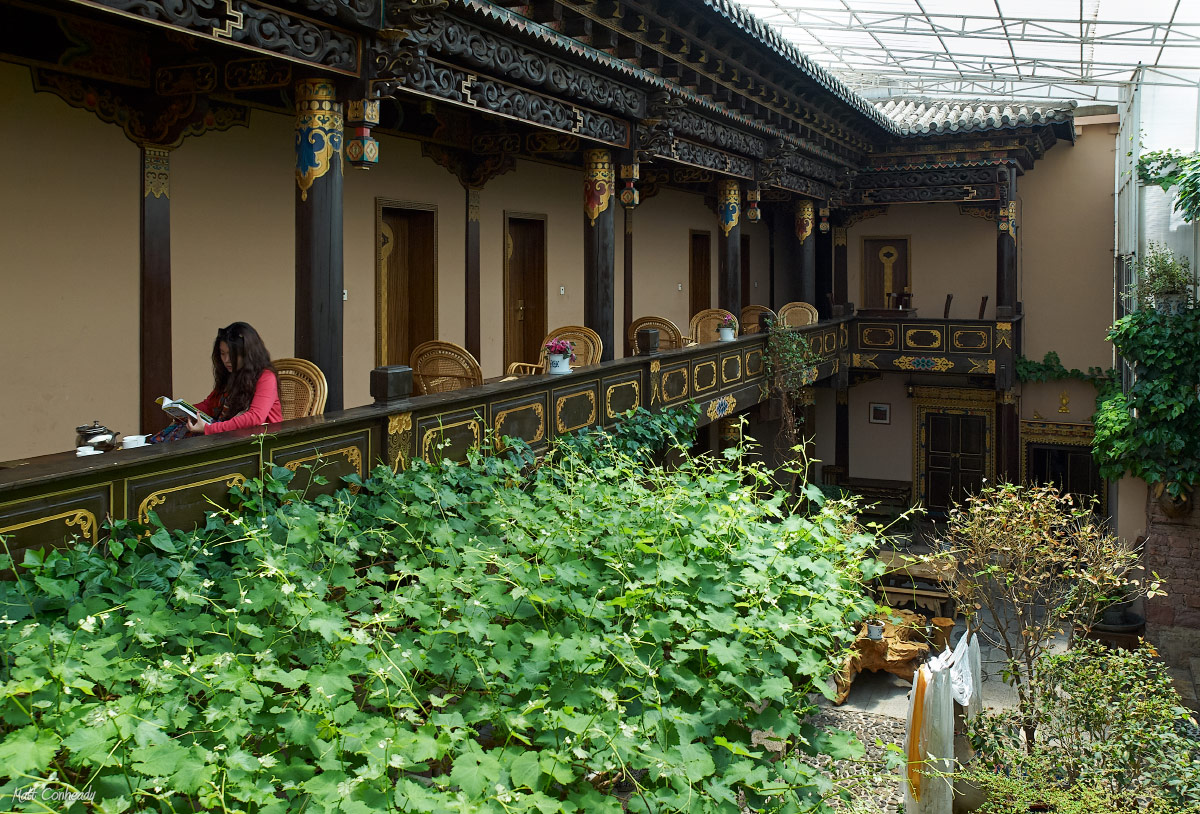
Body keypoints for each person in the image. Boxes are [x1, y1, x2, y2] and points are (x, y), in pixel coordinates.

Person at [150, 322, 283, 443]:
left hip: (259, 440)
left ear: (248, 353)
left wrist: (210, 428)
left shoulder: (266, 377)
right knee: (180, 429)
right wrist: (181, 411)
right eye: (222, 353)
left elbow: (255, 417)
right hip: (231, 434)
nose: (226, 360)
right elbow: (210, 405)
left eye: (232, 354)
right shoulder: (231, 374)